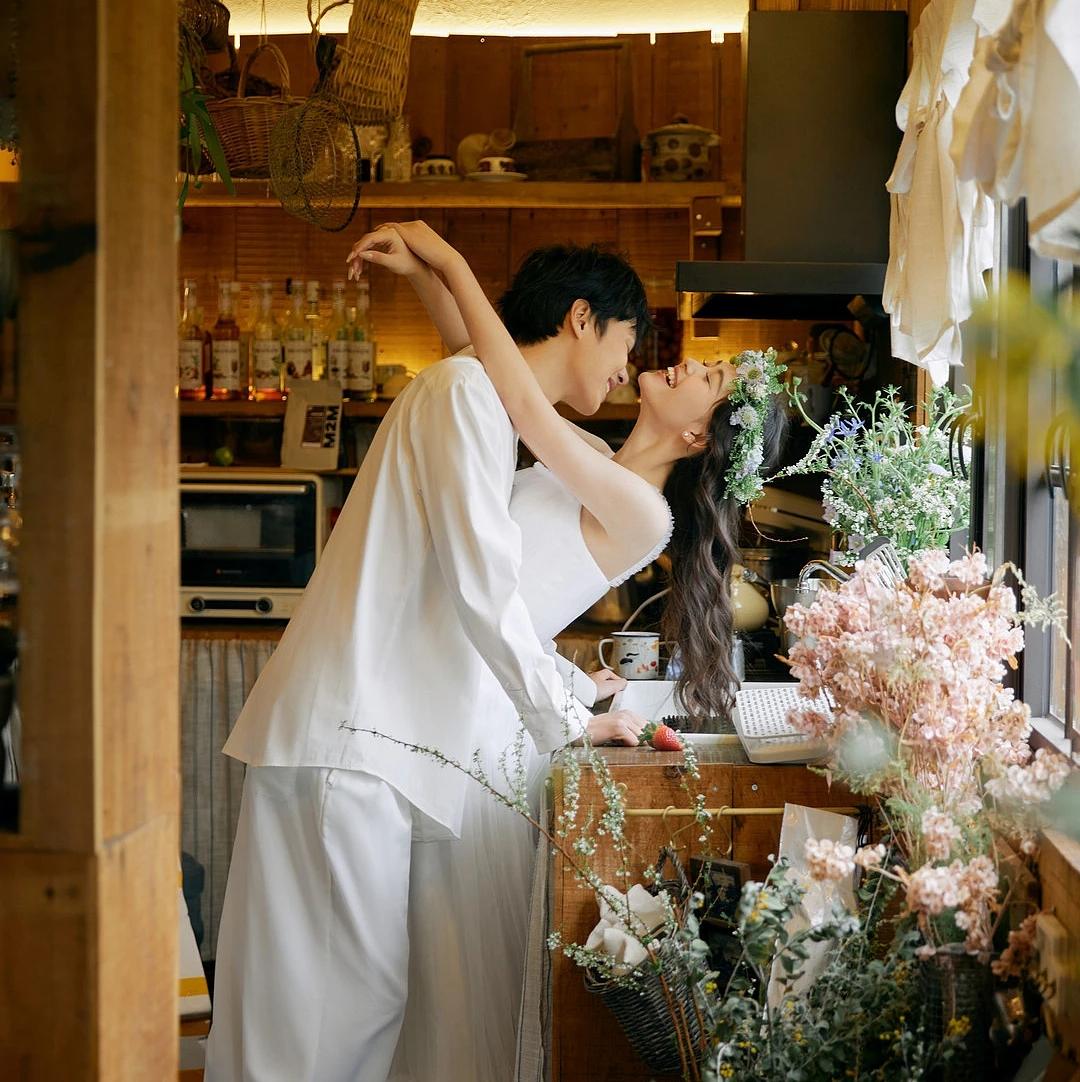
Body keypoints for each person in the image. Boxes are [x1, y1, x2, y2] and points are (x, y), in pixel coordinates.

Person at [346, 222, 787, 1081]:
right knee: (424, 978)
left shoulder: (643, 510)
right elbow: (494, 371)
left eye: (710, 379)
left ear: (699, 439)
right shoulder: (591, 454)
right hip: (463, 702)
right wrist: (424, 280)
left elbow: (514, 394)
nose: (689, 364)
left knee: (448, 983)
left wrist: (451, 258)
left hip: (485, 725)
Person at [204, 241, 651, 1082]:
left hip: (365, 745)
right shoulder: (464, 394)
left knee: (343, 1013)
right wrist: (565, 721)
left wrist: (567, 693)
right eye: (628, 342)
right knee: (326, 1026)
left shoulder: (480, 398)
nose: (627, 369)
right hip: (349, 742)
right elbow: (482, 582)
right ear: (581, 318)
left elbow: (477, 595)